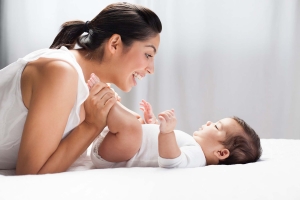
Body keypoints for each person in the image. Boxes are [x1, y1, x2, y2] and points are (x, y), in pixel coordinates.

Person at [0, 2, 162, 174]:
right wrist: (92, 125)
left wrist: (147, 129)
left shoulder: (90, 84)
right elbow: (30, 175)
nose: (151, 69)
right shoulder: (60, 72)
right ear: (114, 44)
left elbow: (127, 131)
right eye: (148, 55)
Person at [87, 75, 262, 168]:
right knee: (137, 122)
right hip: (118, 147)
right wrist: (152, 123)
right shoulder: (193, 146)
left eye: (216, 126)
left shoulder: (197, 157)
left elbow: (171, 161)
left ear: (221, 153)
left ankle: (106, 100)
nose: (209, 122)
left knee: (132, 128)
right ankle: (108, 104)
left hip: (113, 155)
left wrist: (166, 132)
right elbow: (156, 146)